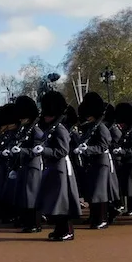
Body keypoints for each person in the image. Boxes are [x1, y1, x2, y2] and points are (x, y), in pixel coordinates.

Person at [33, 92, 81, 242]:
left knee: (62, 201)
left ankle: (67, 230)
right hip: (53, 168)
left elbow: (62, 150)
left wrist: (44, 150)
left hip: (60, 169)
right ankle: (60, 229)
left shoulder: (59, 129)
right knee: (55, 201)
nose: (45, 116)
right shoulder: (51, 128)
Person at [74, 92, 119, 230]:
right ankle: (94, 217)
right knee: (92, 192)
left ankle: (102, 218)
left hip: (101, 162)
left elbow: (103, 146)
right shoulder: (91, 127)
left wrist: (86, 149)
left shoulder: (101, 127)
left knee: (99, 193)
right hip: (92, 163)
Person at [10, 96, 44, 234]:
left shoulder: (36, 130)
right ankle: (29, 222)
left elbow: (36, 150)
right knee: (25, 196)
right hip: (24, 166)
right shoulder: (25, 130)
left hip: (33, 166)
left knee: (32, 196)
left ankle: (35, 223)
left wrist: (22, 150)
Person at [112, 103, 132, 216]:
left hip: (131, 162)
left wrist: (121, 151)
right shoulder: (125, 132)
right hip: (124, 162)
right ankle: (126, 207)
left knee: (130, 187)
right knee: (124, 186)